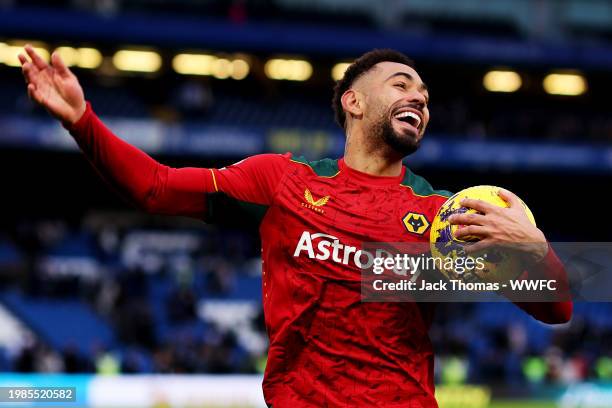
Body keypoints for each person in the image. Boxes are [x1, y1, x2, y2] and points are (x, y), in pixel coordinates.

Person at [20, 46, 572, 407]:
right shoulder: (280, 181)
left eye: (424, 96)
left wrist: (536, 251)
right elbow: (155, 187)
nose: (419, 98)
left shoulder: (439, 217)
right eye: (402, 85)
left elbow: (558, 309)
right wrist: (81, 120)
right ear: (354, 101)